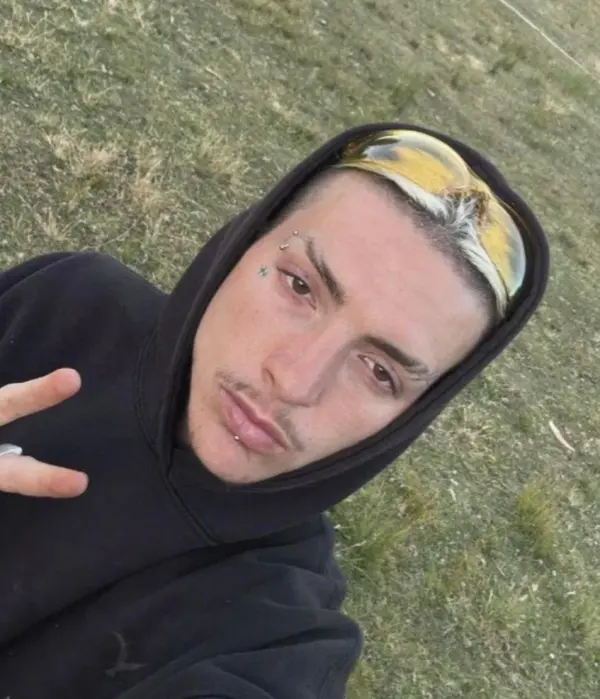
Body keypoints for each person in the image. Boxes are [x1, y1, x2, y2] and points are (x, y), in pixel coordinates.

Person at [0, 124, 549, 698]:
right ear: (243, 245)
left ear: (409, 419)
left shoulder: (276, 641)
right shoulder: (64, 302)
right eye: (299, 286)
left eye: (379, 370)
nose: (293, 382)